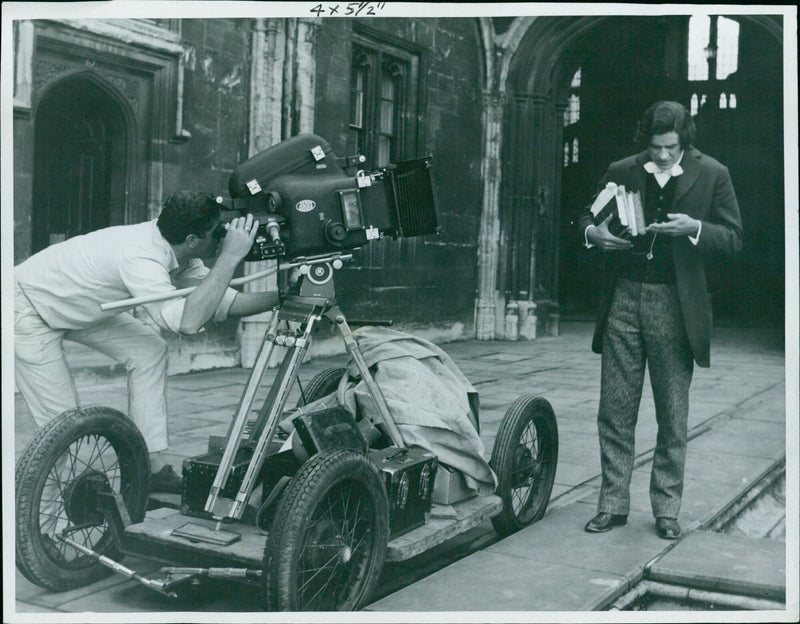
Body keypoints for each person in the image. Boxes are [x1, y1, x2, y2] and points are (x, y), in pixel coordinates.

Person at [14, 190, 279, 493]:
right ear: (192, 239)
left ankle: (147, 466)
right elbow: (187, 322)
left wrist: (283, 296)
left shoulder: (176, 249)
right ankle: (40, 527)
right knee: (60, 427)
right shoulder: (141, 257)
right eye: (215, 232)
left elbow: (221, 301)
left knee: (149, 350)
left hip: (74, 305)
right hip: (29, 307)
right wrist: (230, 258)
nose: (222, 236)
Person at [577, 101, 743, 539]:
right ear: (644, 142)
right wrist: (594, 234)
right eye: (655, 147)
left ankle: (666, 510)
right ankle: (612, 505)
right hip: (623, 300)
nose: (663, 156)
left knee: (672, 413)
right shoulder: (623, 170)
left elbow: (733, 239)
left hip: (675, 304)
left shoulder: (713, 173)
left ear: (684, 142)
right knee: (614, 409)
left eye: (671, 147)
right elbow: (587, 217)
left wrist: (695, 227)